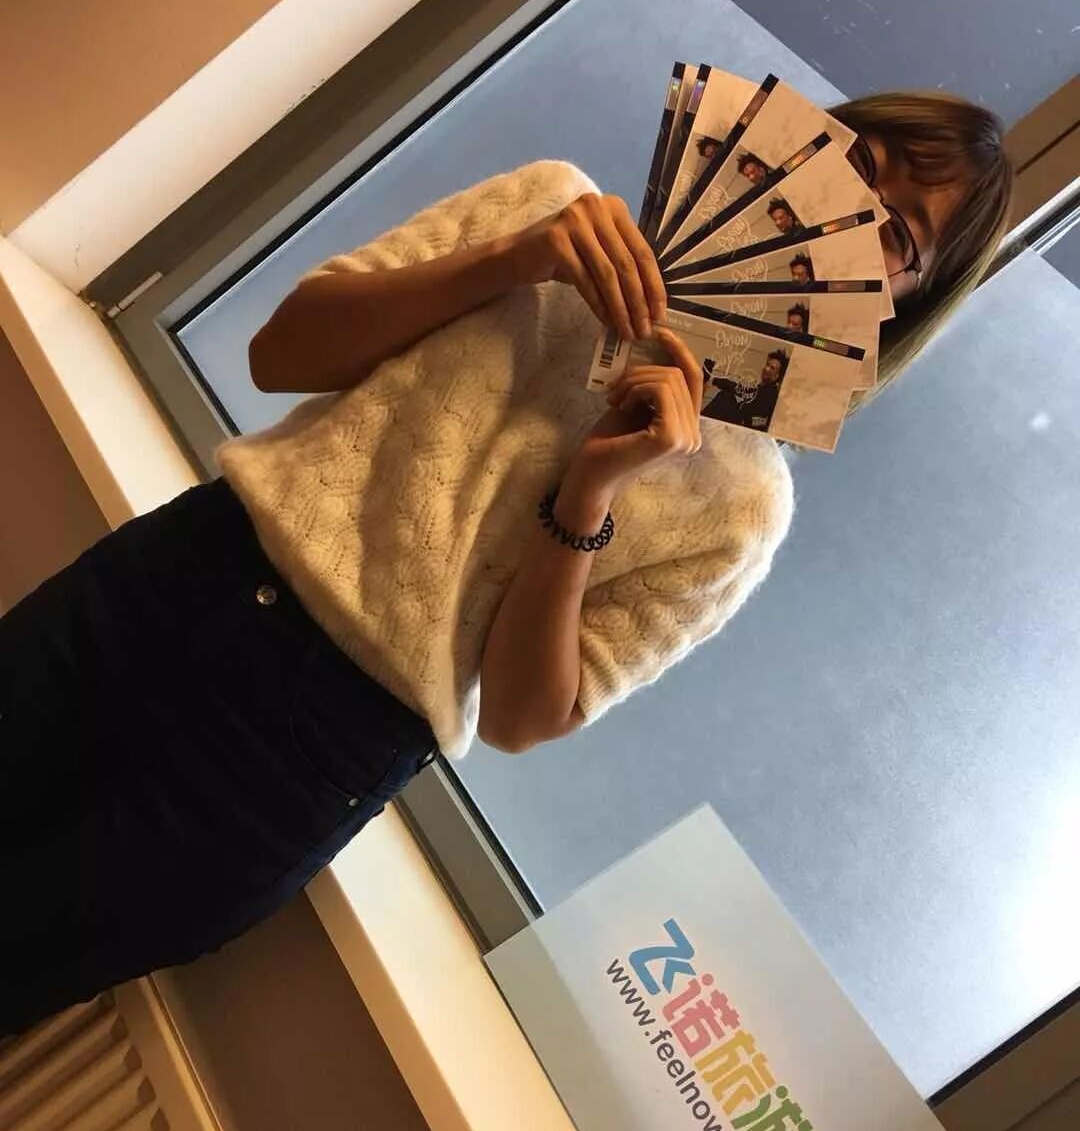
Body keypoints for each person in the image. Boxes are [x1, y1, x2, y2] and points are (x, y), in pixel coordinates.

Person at [0, 89, 1012, 1037]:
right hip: (185, 577)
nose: (849, 211)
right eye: (855, 160)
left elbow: (527, 716)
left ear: (896, 306)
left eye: (897, 235)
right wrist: (516, 259)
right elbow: (281, 357)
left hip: (309, 751)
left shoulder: (744, 504)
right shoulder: (552, 206)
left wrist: (589, 494)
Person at [702, 350, 789, 429]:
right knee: (726, 396)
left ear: (777, 376)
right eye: (767, 364)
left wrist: (714, 380)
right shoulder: (762, 389)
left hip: (745, 427)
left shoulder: (771, 394)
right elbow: (742, 390)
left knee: (725, 397)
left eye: (772, 368)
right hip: (740, 421)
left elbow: (762, 420)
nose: (766, 369)